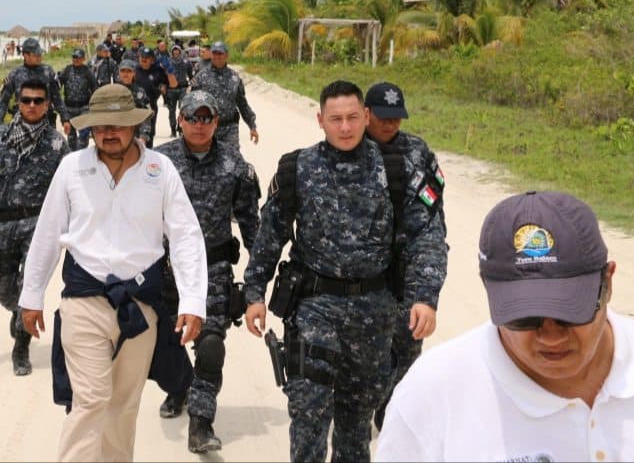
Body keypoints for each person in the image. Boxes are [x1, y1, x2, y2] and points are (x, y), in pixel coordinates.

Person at [376, 190, 634, 462]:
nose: (551, 336)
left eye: (570, 313)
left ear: (608, 282)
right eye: (525, 317)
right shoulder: (430, 396)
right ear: (488, 289)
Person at [243, 80, 447, 463]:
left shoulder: (396, 169)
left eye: (353, 117)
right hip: (314, 308)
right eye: (335, 119)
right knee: (309, 412)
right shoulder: (296, 168)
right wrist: (254, 292)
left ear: (366, 117)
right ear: (320, 120)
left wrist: (425, 296)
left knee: (355, 426)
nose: (346, 127)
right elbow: (271, 235)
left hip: (374, 314)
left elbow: (426, 234)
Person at [18, 83, 208, 462]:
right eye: (101, 125)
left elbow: (185, 234)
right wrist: (31, 296)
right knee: (90, 400)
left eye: (118, 124)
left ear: (134, 126)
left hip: (141, 308)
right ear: (90, 128)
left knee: (123, 407)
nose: (109, 132)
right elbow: (49, 232)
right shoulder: (73, 167)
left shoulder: (160, 169)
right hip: (84, 303)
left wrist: (193, 300)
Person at [155, 90, 261, 453]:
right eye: (192, 117)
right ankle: (179, 385)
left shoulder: (236, 166)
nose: (199, 125)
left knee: (211, 344)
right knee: (165, 341)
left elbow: (251, 225)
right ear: (179, 120)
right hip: (164, 268)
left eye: (206, 118)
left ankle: (201, 422)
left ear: (216, 122)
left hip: (213, 268)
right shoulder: (157, 162)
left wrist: (257, 281)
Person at [0, 79, 69, 376]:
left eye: (39, 101)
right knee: (4, 287)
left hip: (39, 223)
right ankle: (17, 313)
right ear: (18, 104)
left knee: (29, 286)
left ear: (48, 105)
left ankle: (21, 348)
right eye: (27, 100)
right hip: (4, 224)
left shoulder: (56, 143)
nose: (33, 106)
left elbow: (67, 189)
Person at [363, 81, 447, 430]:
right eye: (383, 117)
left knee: (406, 354)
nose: (390, 124)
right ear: (366, 114)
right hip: (358, 278)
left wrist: (427, 296)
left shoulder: (417, 152)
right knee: (365, 359)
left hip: (405, 272)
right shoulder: (343, 149)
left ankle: (391, 420)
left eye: (396, 117)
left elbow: (431, 227)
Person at [0, 37, 71, 135]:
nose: (39, 56)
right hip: (22, 126)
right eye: (36, 54)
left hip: (46, 123)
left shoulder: (48, 72)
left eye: (40, 53)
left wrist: (65, 119)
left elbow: (57, 98)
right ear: (25, 55)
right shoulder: (15, 74)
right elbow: (3, 101)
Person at [189, 42, 258, 148]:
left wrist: (252, 126)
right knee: (207, 161)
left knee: (232, 160)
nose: (217, 56)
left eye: (220, 53)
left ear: (226, 55)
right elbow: (192, 103)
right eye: (214, 53)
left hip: (229, 129)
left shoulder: (234, 78)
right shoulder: (201, 77)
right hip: (207, 128)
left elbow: (243, 104)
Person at [58, 48, 99, 151]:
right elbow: (57, 85)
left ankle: (82, 155)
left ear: (83, 59)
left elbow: (95, 88)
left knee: (83, 136)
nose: (75, 59)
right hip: (69, 108)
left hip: (84, 108)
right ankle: (73, 158)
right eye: (74, 57)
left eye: (78, 57)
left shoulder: (87, 71)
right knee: (71, 138)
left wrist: (94, 106)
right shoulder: (67, 70)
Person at [134, 48, 175, 148]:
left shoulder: (158, 71)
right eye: (142, 57)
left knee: (148, 138)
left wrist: (169, 71)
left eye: (147, 58)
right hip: (133, 109)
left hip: (150, 109)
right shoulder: (133, 70)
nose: (144, 60)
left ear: (152, 59)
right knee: (132, 137)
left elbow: (173, 84)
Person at [116, 58, 153, 144]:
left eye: (129, 71)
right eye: (123, 71)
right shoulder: (112, 91)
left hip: (135, 135)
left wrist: (143, 136)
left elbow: (146, 115)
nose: (126, 74)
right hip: (116, 134)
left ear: (134, 73)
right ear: (119, 73)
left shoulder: (140, 92)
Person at [163, 44, 192, 138]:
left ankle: (181, 129)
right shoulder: (167, 62)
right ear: (171, 52)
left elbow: (191, 75)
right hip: (171, 90)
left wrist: (191, 86)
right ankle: (173, 129)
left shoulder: (186, 62)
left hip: (183, 88)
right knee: (171, 110)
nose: (175, 52)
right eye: (174, 51)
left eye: (177, 50)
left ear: (180, 51)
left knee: (183, 109)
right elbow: (163, 76)